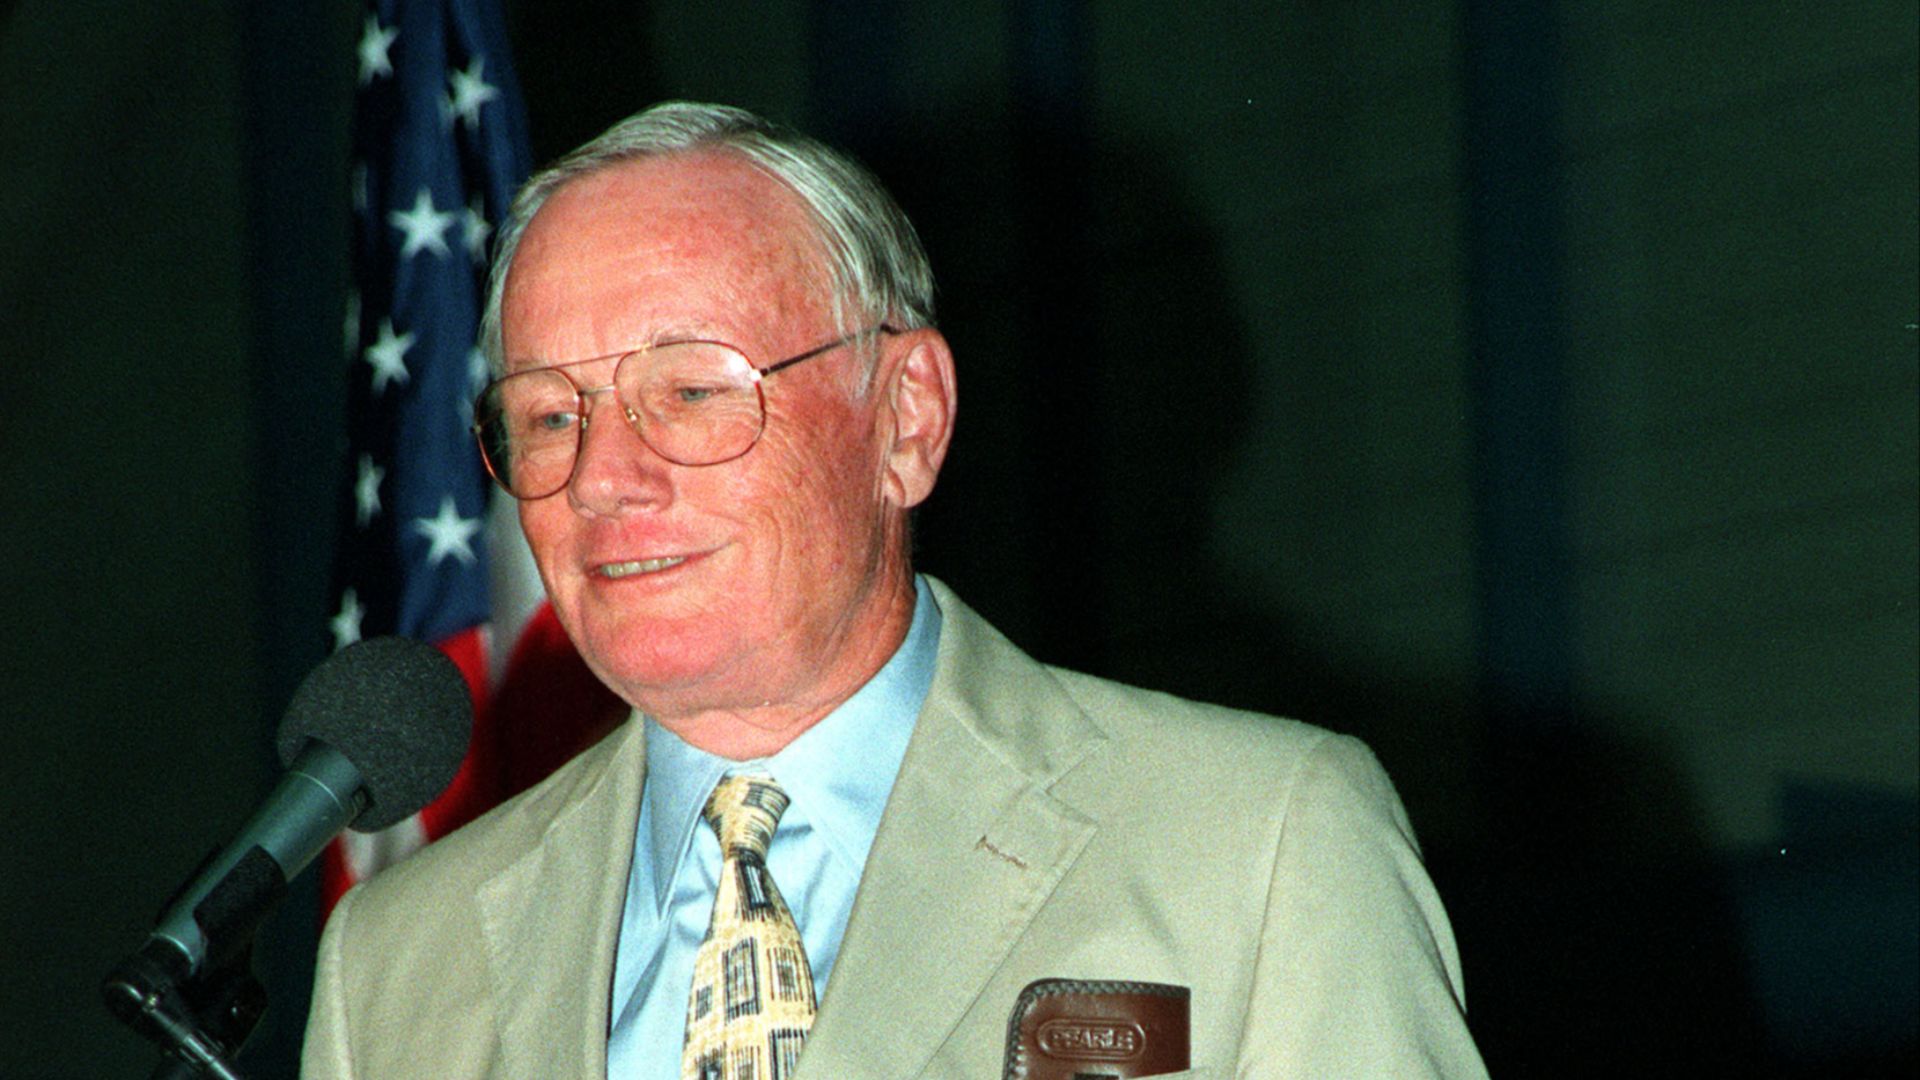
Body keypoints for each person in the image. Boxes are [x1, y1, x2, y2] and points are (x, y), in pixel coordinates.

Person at [302, 101, 1487, 1079]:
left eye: (693, 392)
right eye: (551, 416)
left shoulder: (1260, 842)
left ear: (906, 418)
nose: (606, 478)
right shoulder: (398, 965)